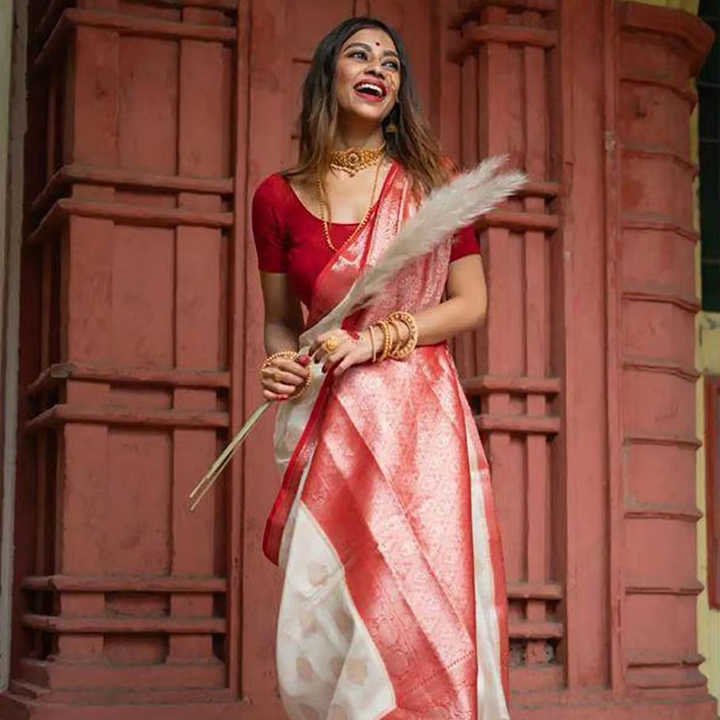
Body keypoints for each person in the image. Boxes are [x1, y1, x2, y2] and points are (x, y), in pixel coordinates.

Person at [251, 16, 510, 720]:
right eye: (359, 55)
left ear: (398, 91)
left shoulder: (431, 186)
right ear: (328, 75)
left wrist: (375, 341)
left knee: (419, 599)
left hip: (419, 423)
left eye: (391, 63)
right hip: (329, 417)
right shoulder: (276, 197)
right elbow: (280, 319)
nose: (377, 68)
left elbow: (471, 303)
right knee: (329, 606)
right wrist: (280, 361)